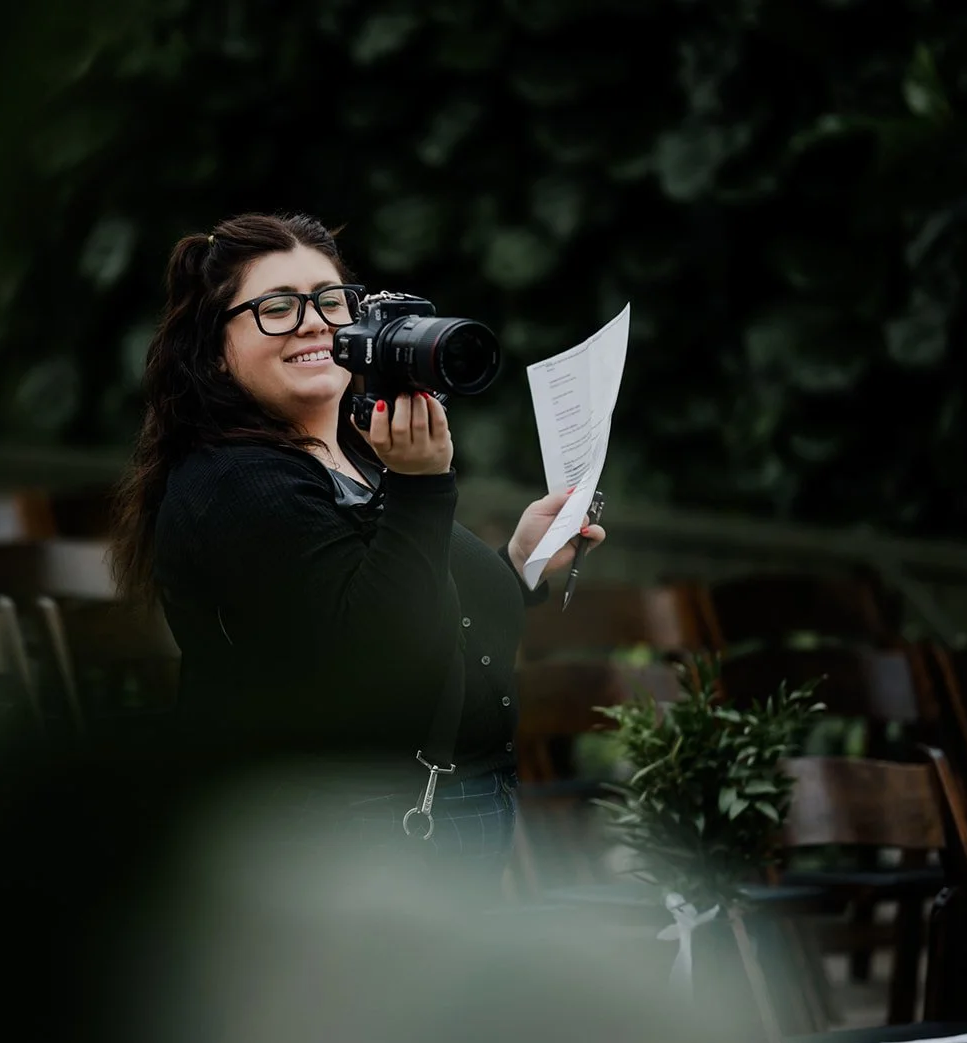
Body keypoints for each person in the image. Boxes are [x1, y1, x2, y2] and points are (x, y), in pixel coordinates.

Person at [108, 212, 604, 893]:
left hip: (430, 819)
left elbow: (437, 621)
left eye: (331, 301)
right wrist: (422, 485)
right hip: (347, 840)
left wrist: (522, 563)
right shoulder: (239, 483)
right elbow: (376, 657)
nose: (314, 324)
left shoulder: (362, 456)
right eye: (277, 308)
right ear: (215, 350)